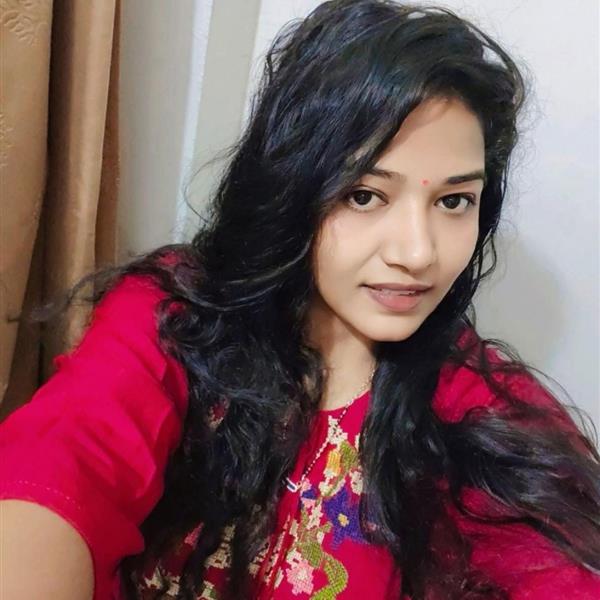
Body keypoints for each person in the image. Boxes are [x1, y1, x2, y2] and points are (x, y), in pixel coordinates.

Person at [1, 1, 599, 598]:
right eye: (364, 195)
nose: (419, 253)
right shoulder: (178, 319)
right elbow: (63, 468)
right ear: (293, 186)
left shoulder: (477, 407)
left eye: (453, 201)